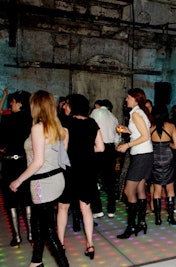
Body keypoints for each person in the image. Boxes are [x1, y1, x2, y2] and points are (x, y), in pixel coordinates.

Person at [9, 90, 70, 267]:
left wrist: (18, 181)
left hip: (42, 183)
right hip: (57, 179)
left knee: (48, 230)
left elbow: (38, 162)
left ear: (36, 106)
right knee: (37, 221)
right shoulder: (59, 127)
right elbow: (62, 156)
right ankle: (36, 261)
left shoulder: (37, 128)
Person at [57, 94, 105, 260]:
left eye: (67, 104)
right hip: (87, 170)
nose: (64, 107)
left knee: (63, 207)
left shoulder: (66, 122)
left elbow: (63, 147)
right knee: (86, 208)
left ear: (73, 106)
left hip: (70, 170)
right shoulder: (92, 123)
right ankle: (90, 244)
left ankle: (60, 244)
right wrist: (86, 151)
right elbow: (101, 148)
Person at [116, 88, 153, 239]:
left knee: (128, 191)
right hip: (145, 154)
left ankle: (131, 226)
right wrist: (129, 132)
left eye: (128, 98)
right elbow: (142, 133)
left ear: (135, 99)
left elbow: (145, 136)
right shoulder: (139, 112)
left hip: (141, 155)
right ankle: (142, 222)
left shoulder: (136, 114)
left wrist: (127, 145)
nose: (126, 100)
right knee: (140, 190)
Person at [0, 90, 33, 247]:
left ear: (19, 103)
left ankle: (17, 236)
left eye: (12, 102)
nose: (11, 105)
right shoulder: (31, 120)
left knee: (10, 200)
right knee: (27, 197)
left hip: (9, 163)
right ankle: (32, 233)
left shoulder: (7, 120)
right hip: (24, 163)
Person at [90, 99, 119, 219]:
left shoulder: (95, 113)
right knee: (110, 181)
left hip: (98, 148)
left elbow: (90, 129)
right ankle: (111, 210)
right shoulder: (114, 117)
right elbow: (117, 137)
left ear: (98, 105)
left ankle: (98, 210)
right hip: (110, 149)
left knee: (93, 179)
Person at [150, 105, 176, 225]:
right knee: (170, 188)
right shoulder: (171, 126)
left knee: (157, 189)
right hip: (168, 159)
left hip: (155, 159)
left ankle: (157, 218)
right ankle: (171, 217)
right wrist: (168, 145)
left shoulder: (150, 127)